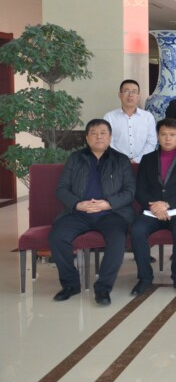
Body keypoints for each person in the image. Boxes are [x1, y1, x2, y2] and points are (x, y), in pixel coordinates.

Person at [49, 119, 135, 306]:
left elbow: (130, 191)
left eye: (103, 133)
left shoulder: (121, 160)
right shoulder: (75, 158)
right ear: (87, 138)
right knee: (57, 236)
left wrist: (108, 204)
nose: (98, 137)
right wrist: (78, 204)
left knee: (117, 241)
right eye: (94, 133)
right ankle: (70, 284)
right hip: (78, 213)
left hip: (111, 214)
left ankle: (103, 288)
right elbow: (61, 189)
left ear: (110, 137)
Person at [130, 117, 176, 296]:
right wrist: (155, 207)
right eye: (163, 134)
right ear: (157, 136)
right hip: (152, 210)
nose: (168, 138)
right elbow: (140, 189)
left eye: (172, 134)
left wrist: (167, 204)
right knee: (137, 230)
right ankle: (145, 278)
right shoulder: (147, 159)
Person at [104, 79, 157, 163]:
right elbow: (108, 142)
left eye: (134, 92)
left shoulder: (148, 117)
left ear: (138, 96)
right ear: (120, 95)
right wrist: (123, 160)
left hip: (143, 163)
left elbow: (151, 142)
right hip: (117, 163)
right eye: (126, 91)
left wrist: (137, 160)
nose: (130, 95)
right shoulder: (109, 117)